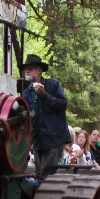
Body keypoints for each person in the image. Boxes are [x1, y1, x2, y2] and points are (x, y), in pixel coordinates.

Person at [20, 54, 70, 182]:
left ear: (39, 70)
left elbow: (63, 105)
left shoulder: (52, 85)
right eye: (26, 68)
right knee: (39, 173)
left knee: (46, 176)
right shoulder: (26, 93)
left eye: (30, 68)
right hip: (38, 141)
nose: (27, 71)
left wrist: (45, 95)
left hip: (53, 139)